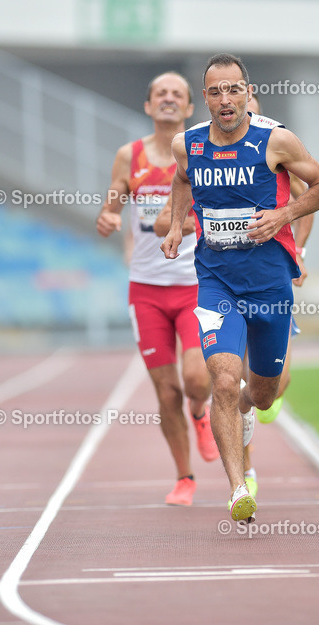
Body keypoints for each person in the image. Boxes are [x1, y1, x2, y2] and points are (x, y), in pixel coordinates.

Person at [161, 53, 319, 522]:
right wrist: (176, 226)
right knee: (221, 378)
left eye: (234, 89)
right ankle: (239, 489)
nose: (226, 99)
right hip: (216, 281)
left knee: (263, 394)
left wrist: (282, 216)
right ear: (205, 97)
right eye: (216, 91)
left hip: (270, 284)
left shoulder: (276, 141)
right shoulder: (187, 144)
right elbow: (181, 180)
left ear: (247, 92)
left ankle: (245, 409)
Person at [96, 71, 219, 507]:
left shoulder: (203, 152)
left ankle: (200, 412)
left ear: (189, 107)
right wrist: (109, 216)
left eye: (177, 94)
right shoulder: (128, 156)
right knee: (166, 392)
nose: (168, 98)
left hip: (194, 285)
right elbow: (113, 201)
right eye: (160, 93)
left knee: (196, 379)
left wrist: (189, 223)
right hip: (146, 290)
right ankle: (184, 477)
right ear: (148, 106)